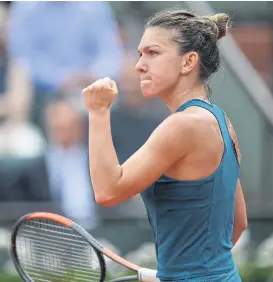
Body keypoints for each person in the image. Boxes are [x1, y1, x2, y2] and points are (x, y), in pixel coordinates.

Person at [82, 10, 248, 281]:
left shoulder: (182, 126)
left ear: (188, 62)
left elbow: (107, 191)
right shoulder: (220, 121)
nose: (139, 65)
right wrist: (183, 269)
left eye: (153, 53)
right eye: (140, 54)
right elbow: (237, 223)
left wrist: (98, 112)